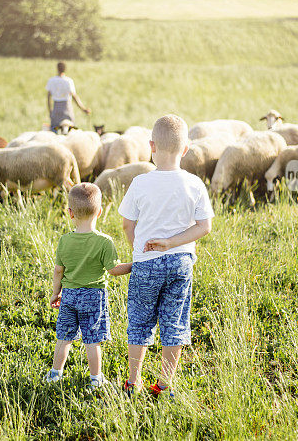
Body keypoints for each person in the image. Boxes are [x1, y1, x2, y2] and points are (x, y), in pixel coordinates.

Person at [117, 114, 214, 398]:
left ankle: (132, 382)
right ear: (185, 149)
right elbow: (204, 227)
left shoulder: (140, 182)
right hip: (181, 262)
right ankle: (164, 384)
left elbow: (127, 223)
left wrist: (139, 249)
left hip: (146, 262)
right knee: (175, 321)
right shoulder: (194, 183)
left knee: (139, 320)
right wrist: (172, 242)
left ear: (151, 147)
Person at [46, 182, 132, 388]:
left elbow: (59, 270)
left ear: (70, 213)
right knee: (92, 340)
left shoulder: (64, 241)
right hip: (93, 296)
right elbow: (113, 269)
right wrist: (133, 266)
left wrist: (55, 293)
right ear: (100, 212)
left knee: (64, 337)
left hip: (69, 295)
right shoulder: (104, 242)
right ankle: (96, 379)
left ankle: (55, 374)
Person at [46, 62, 91, 132]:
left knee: (54, 130)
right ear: (65, 69)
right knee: (70, 129)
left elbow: (48, 98)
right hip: (66, 108)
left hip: (56, 108)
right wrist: (84, 109)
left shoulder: (51, 81)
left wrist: (50, 111)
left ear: (57, 69)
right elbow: (74, 97)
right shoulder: (68, 81)